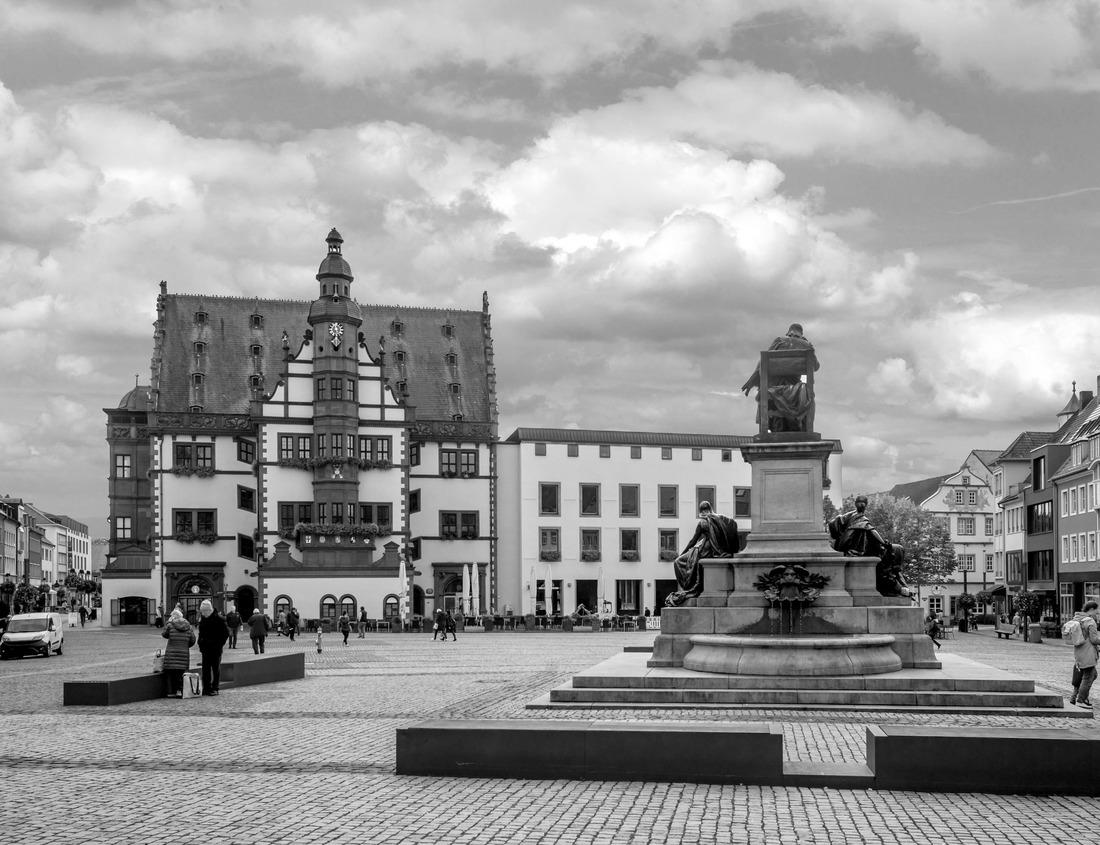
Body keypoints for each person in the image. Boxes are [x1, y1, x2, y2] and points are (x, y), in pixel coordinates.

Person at [741, 323, 820, 433]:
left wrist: (751, 382)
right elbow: (815, 367)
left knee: (766, 390)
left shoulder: (779, 341)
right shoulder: (806, 346)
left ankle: (774, 427)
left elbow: (763, 363)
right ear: (801, 335)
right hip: (795, 388)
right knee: (809, 395)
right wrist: (810, 347)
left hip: (773, 387)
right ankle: (803, 428)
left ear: (789, 333)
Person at [664, 501, 740, 607]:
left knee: (678, 561)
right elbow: (732, 524)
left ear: (701, 511)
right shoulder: (719, 518)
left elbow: (693, 540)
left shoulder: (703, 522)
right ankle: (689, 585)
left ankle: (688, 586)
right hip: (714, 549)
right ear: (710, 508)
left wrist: (682, 553)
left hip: (705, 549)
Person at [1069, 600, 1100, 708]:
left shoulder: (1077, 619)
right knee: (1088, 676)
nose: (1097, 614)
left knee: (1084, 675)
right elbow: (1094, 639)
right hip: (1088, 653)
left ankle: (1074, 697)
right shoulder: (1090, 621)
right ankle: (1081, 700)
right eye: (1096, 611)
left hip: (1078, 652)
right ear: (1091, 610)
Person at [161, 607, 196, 698]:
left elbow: (164, 634)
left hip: (171, 654)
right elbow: (193, 640)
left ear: (173, 617)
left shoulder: (170, 625)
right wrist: (185, 646)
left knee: (170, 673)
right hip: (183, 654)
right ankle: (180, 691)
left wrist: (168, 622)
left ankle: (170, 692)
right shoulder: (188, 626)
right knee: (181, 673)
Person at [196, 599, 229, 696]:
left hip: (216, 649)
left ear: (208, 610)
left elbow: (226, 634)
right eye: (202, 611)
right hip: (205, 648)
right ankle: (206, 688)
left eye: (204, 611)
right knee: (205, 669)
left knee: (215, 669)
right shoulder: (203, 619)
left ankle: (215, 688)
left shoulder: (219, 619)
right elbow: (201, 633)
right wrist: (200, 643)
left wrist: (219, 644)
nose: (203, 613)